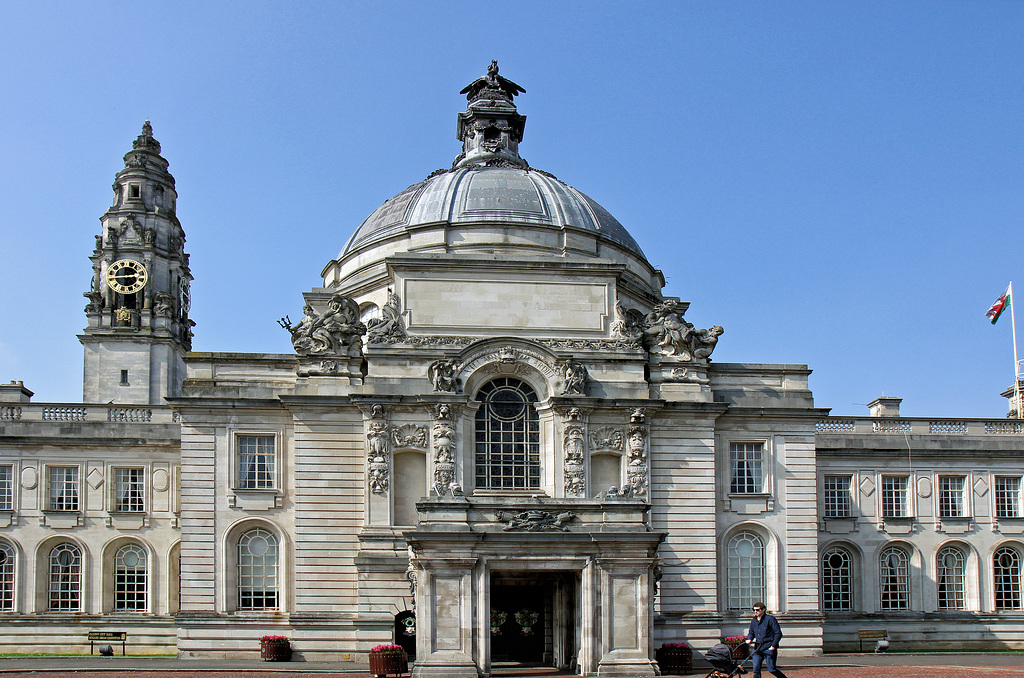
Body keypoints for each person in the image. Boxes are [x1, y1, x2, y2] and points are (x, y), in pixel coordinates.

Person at [746, 602, 788, 678]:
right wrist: (749, 639)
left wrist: (773, 646)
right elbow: (751, 632)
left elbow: (778, 633)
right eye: (754, 610)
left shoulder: (770, 619)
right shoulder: (754, 621)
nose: (756, 612)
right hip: (757, 649)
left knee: (772, 669)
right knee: (756, 669)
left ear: (763, 610)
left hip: (768, 648)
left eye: (758, 610)